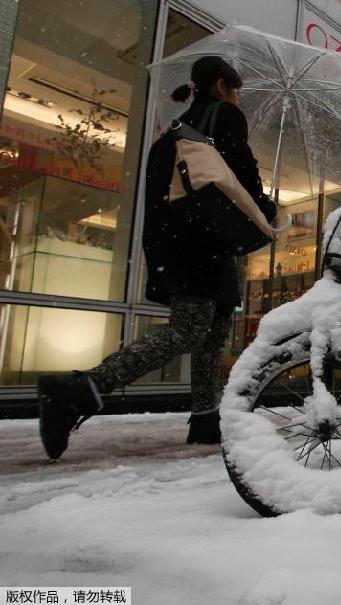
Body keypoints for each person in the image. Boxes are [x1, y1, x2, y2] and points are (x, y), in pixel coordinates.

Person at [36, 56, 276, 460]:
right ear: (221, 86)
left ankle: (205, 416)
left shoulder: (174, 132)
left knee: (213, 329)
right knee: (188, 332)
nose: (237, 97)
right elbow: (243, 179)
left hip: (181, 243)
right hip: (202, 243)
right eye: (236, 90)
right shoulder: (224, 117)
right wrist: (265, 207)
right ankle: (80, 390)